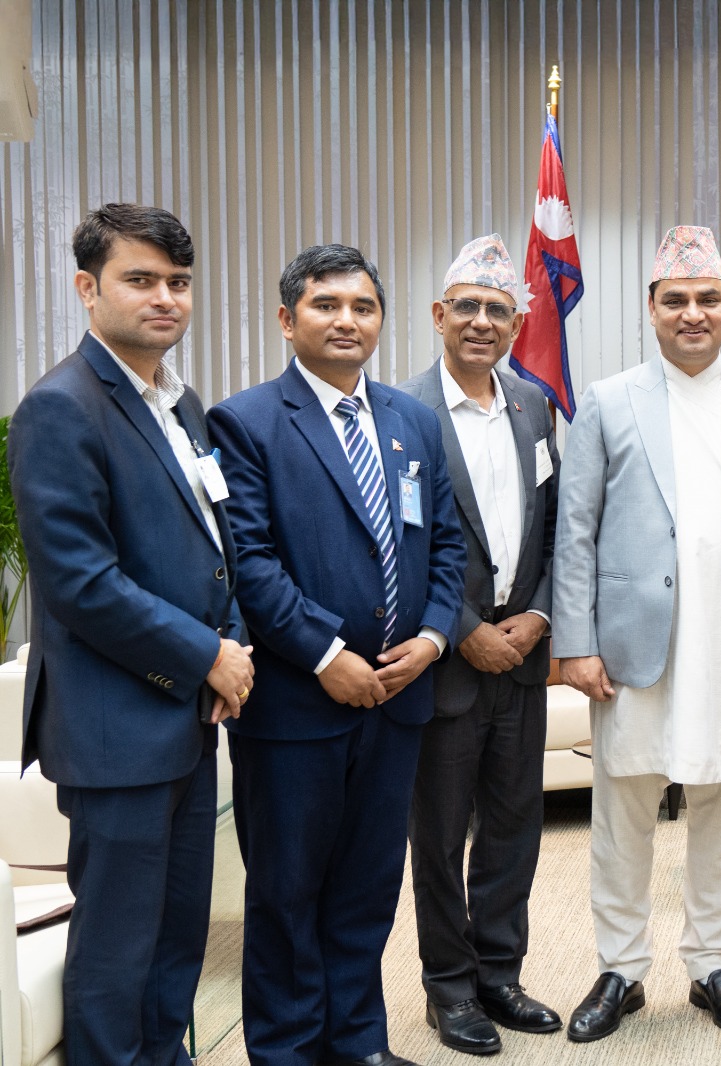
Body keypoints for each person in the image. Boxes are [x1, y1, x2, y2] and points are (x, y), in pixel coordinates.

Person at [207, 244, 467, 1066]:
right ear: (288, 320)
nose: (346, 320)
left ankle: (358, 1043)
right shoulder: (244, 422)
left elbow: (446, 545)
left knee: (367, 887)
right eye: (326, 305)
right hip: (296, 705)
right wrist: (327, 655)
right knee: (287, 893)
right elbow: (249, 563)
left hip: (398, 698)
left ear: (381, 320)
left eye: (362, 306)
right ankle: (287, 1052)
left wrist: (432, 639)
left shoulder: (413, 421)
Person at [9, 203, 253, 1066]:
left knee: (177, 932)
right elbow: (83, 584)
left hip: (185, 717)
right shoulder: (60, 408)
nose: (165, 299)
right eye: (140, 280)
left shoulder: (180, 404)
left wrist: (231, 641)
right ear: (88, 288)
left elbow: (214, 545)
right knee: (118, 946)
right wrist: (207, 655)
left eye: (178, 283)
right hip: (114, 728)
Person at [552, 225, 721, 1043]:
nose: (693, 313)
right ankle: (620, 969)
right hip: (632, 644)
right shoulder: (607, 400)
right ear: (651, 309)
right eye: (676, 300)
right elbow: (575, 529)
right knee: (622, 809)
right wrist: (576, 641)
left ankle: (712, 962)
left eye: (709, 299)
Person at [397, 235, 563, 1055]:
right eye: (467, 306)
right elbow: (400, 544)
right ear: (439, 314)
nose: (481, 322)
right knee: (439, 834)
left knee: (513, 827)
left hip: (522, 655)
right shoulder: (401, 412)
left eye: (498, 310)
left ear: (516, 323)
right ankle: (449, 987)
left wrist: (539, 616)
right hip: (447, 658)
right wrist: (463, 631)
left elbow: (555, 525)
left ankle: (500, 974)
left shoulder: (534, 406)